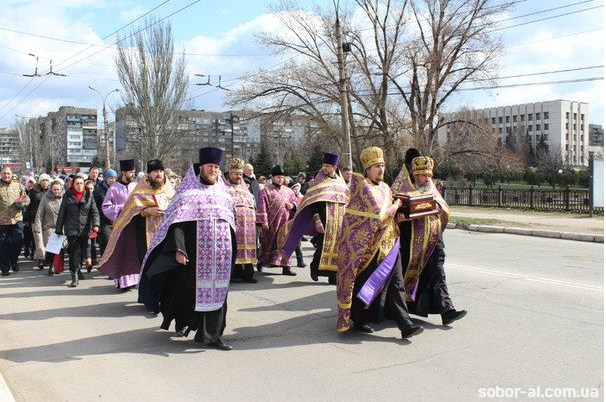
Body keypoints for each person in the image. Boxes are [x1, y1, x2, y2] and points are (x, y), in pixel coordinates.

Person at [141, 148, 236, 350]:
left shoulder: (223, 193)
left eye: (217, 167)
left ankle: (213, 334)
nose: (214, 170)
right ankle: (184, 321)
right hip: (193, 255)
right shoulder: (187, 193)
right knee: (188, 294)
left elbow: (231, 222)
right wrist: (179, 249)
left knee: (219, 294)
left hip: (220, 256)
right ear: (200, 167)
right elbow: (176, 224)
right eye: (210, 166)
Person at [336, 147, 423, 339]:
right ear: (367, 169)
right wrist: (396, 205)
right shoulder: (363, 188)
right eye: (376, 166)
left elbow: (388, 218)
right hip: (369, 249)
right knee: (366, 285)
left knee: (397, 285)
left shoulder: (385, 188)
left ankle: (405, 324)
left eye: (382, 165)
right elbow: (378, 215)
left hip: (390, 243)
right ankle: (358, 319)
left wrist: (399, 216)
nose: (381, 170)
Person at [392, 153, 467, 326]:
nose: (427, 179)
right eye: (423, 175)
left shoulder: (431, 188)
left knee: (438, 274)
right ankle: (397, 310)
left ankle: (447, 311)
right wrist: (401, 217)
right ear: (414, 175)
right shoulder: (401, 188)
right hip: (411, 244)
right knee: (403, 278)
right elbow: (393, 215)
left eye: (429, 175)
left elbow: (443, 209)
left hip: (434, 240)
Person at [98, 160, 174, 294]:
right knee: (134, 257)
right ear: (148, 174)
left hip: (164, 233)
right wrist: (144, 211)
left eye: (161, 171)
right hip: (136, 229)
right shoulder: (125, 188)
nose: (159, 174)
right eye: (156, 171)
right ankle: (142, 292)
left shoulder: (168, 189)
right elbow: (130, 208)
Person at [279, 152, 348, 284]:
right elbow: (312, 203)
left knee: (337, 248)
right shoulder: (319, 180)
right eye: (324, 165)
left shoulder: (341, 182)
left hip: (339, 222)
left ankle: (333, 276)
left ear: (335, 167)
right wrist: (317, 221)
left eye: (328, 166)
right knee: (323, 247)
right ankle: (314, 268)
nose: (325, 168)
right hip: (323, 219)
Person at [55, 176, 100, 287]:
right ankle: (74, 274)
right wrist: (58, 229)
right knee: (74, 252)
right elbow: (62, 213)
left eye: (81, 183)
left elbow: (94, 211)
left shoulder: (89, 195)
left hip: (85, 229)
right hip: (72, 229)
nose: (80, 185)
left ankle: (83, 265)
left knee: (85, 249)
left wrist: (96, 225)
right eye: (77, 183)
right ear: (73, 185)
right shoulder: (67, 195)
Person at [256, 165, 299, 276]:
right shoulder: (267, 190)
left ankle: (286, 267)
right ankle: (261, 262)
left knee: (286, 244)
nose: (280, 179)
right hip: (271, 223)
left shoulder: (289, 191)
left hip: (285, 224)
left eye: (282, 177)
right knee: (267, 244)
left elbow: (296, 202)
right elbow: (262, 206)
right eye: (278, 177)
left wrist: (292, 205)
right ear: (273, 178)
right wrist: (263, 221)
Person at [102, 159, 137, 286]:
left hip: (134, 225)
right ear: (123, 172)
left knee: (132, 252)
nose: (133, 174)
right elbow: (106, 206)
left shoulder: (135, 186)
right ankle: (122, 282)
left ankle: (133, 280)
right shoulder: (114, 188)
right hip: (120, 225)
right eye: (131, 172)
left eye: (134, 172)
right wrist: (121, 209)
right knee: (122, 252)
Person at [224, 158, 258, 283]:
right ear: (230, 173)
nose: (238, 176)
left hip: (248, 225)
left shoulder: (245, 188)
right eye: (236, 174)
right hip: (234, 224)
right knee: (234, 248)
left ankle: (248, 274)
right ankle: (233, 274)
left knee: (248, 248)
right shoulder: (224, 188)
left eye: (240, 174)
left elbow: (253, 203)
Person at [1, 166, 29, 276]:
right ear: (1, 174)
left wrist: (25, 202)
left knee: (18, 241)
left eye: (8, 173)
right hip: (2, 221)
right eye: (4, 173)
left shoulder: (18, 185)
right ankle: (4, 267)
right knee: (2, 244)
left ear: (11, 174)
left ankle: (13, 261)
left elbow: (26, 197)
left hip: (16, 219)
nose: (6, 175)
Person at [33, 179, 64, 275]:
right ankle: (51, 265)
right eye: (54, 189)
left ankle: (58, 266)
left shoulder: (64, 198)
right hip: (49, 226)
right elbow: (39, 214)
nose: (56, 191)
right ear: (51, 189)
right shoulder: (45, 198)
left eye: (58, 189)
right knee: (51, 248)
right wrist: (37, 227)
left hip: (61, 226)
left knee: (60, 248)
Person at [24, 173, 51, 268]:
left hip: (48, 220)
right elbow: (29, 206)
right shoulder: (33, 192)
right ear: (39, 181)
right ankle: (41, 259)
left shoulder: (51, 192)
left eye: (47, 180)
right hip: (35, 219)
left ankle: (48, 257)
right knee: (38, 240)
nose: (45, 182)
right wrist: (27, 219)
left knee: (47, 240)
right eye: (43, 180)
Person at [93, 169, 117, 260]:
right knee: (106, 243)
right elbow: (94, 208)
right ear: (106, 179)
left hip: (116, 221)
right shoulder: (98, 191)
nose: (113, 180)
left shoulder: (117, 189)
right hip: (104, 222)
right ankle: (105, 261)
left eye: (115, 178)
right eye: (111, 178)